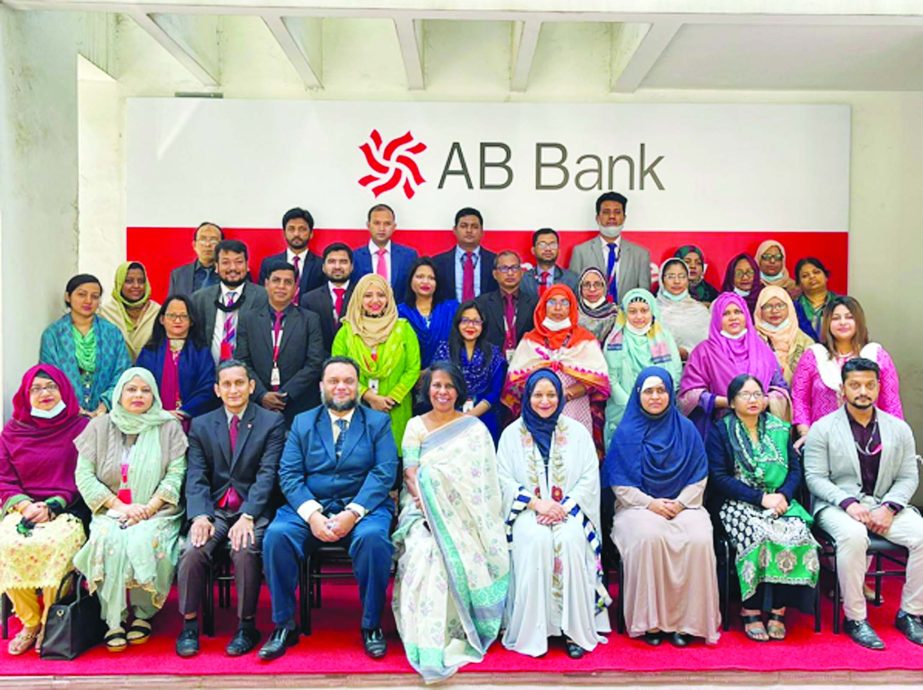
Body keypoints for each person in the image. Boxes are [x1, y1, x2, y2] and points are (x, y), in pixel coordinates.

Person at [260, 357, 398, 661]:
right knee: (277, 536)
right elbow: (290, 474)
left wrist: (352, 512)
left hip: (364, 506)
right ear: (322, 385)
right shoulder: (303, 422)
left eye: (348, 381)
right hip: (313, 503)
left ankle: (371, 624)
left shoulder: (377, 422)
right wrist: (312, 514)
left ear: (358, 386)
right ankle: (284, 624)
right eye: (334, 381)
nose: (341, 387)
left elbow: (384, 472)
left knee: (373, 539)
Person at [392, 363, 508, 681]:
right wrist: (430, 507)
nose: (442, 392)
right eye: (436, 386)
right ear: (427, 390)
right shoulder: (416, 426)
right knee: (424, 554)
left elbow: (483, 483)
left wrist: (451, 512)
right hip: (421, 509)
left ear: (459, 391)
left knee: (467, 552)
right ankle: (430, 641)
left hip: (466, 515)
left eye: (449, 386)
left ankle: (464, 629)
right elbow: (412, 474)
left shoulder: (473, 429)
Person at [804, 358, 923, 650]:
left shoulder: (899, 429)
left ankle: (911, 612)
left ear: (879, 388)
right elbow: (815, 478)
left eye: (870, 385)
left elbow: (909, 476)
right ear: (842, 390)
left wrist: (890, 507)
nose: (863, 391)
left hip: (884, 504)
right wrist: (848, 503)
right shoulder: (823, 428)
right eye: (855, 385)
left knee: (922, 535)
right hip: (838, 506)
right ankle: (855, 617)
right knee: (854, 536)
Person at [175, 359, 286, 658]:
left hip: (253, 508)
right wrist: (199, 515)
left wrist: (249, 515)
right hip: (216, 509)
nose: (234, 389)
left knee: (244, 548)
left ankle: (246, 625)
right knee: (193, 549)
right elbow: (195, 476)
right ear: (217, 389)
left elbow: (267, 475)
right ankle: (188, 625)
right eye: (227, 384)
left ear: (251, 386)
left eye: (240, 383)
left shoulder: (270, 422)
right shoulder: (201, 425)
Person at [497, 369, 610, 658]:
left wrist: (563, 507)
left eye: (551, 395)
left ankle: (573, 630)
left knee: (571, 540)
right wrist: (537, 504)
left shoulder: (577, 432)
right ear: (528, 397)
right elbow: (504, 479)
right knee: (535, 540)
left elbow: (588, 477)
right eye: (538, 395)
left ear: (560, 397)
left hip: (569, 510)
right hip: (528, 510)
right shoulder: (512, 434)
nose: (544, 401)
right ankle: (536, 630)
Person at [72, 368, 187, 651]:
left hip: (156, 511)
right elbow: (84, 475)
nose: (138, 395)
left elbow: (176, 474)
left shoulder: (168, 427)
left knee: (145, 538)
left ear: (154, 395)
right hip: (111, 509)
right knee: (110, 539)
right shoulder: (98, 427)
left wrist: (147, 509)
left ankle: (144, 613)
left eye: (145, 390)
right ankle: (114, 619)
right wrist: (119, 506)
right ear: (119, 393)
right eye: (131, 389)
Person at [604, 367, 720, 646]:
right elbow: (619, 484)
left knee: (698, 539)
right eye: (648, 391)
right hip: (637, 507)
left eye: (661, 390)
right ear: (638, 395)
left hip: (685, 505)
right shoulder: (626, 432)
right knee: (648, 538)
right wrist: (650, 503)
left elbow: (699, 475)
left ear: (670, 394)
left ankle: (688, 622)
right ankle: (650, 622)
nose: (655, 397)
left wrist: (680, 503)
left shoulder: (687, 429)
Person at [707, 374, 819, 642]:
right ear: (732, 402)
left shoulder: (780, 429)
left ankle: (779, 610)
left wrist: (782, 495)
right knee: (759, 536)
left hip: (779, 501)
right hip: (738, 502)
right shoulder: (721, 431)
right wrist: (760, 498)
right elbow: (719, 477)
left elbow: (794, 469)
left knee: (798, 534)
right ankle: (751, 608)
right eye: (745, 395)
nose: (753, 400)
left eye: (758, 394)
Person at [0, 366, 89, 655]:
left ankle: (54, 618)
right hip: (23, 508)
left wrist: (54, 505)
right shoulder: (13, 431)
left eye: (50, 386)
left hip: (67, 508)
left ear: (63, 389)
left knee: (54, 544)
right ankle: (30, 622)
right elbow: (4, 477)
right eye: (36, 389)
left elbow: (88, 476)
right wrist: (25, 505)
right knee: (6, 544)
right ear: (26, 395)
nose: (44, 393)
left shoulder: (81, 428)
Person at [792, 295, 903, 445]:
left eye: (849, 317)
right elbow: (800, 399)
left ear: (858, 321)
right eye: (836, 318)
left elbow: (891, 402)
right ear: (828, 323)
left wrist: (894, 437)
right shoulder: (814, 355)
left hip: (870, 440)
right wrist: (806, 433)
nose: (842, 322)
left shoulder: (876, 355)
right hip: (823, 440)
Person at [503, 285, 609, 441]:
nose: (558, 307)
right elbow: (515, 383)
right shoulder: (530, 340)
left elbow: (597, 381)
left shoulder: (585, 340)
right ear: (543, 306)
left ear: (572, 306)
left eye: (564, 302)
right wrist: (544, 396)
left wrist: (566, 394)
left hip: (574, 407)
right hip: (538, 406)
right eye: (552, 302)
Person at [331, 274, 421, 451]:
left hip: (396, 409)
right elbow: (337, 370)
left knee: (392, 463)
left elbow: (413, 368)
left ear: (389, 298)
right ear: (358, 298)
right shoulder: (347, 331)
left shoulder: (403, 329)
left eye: (381, 295)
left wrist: (391, 399)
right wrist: (368, 397)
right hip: (356, 407)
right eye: (367, 295)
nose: (375, 300)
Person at [678, 292, 790, 432]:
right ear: (717, 318)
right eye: (726, 313)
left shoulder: (762, 348)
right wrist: (728, 402)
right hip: (720, 430)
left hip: (762, 428)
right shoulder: (703, 352)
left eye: (738, 311)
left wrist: (762, 401)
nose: (733, 317)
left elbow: (780, 388)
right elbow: (690, 394)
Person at [234, 261, 324, 426]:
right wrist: (262, 395)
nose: (281, 286)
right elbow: (242, 360)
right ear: (266, 284)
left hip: (299, 406)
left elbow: (315, 363)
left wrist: (285, 394)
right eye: (276, 280)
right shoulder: (248, 319)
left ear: (296, 288)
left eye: (288, 282)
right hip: (258, 406)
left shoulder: (310, 319)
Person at [40, 274, 131, 417]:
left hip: (107, 416)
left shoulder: (112, 333)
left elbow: (122, 373)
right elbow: (48, 375)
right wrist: (73, 407)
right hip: (64, 415)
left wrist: (104, 405)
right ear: (67, 297)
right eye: (81, 294)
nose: (88, 301)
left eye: (95, 296)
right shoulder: (53, 335)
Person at [603, 289, 682, 445]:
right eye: (632, 312)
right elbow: (610, 379)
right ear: (624, 313)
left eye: (644, 311)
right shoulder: (614, 340)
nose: (639, 316)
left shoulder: (664, 336)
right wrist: (633, 406)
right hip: (623, 410)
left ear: (652, 311)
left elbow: (675, 373)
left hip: (659, 405)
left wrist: (655, 401)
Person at [433, 301, 507, 444]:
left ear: (483, 325)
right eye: (465, 320)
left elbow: (494, 392)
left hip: (484, 416)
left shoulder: (493, 353)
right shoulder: (444, 351)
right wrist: (455, 415)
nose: (470, 326)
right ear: (457, 323)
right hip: (448, 415)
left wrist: (470, 415)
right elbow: (437, 386)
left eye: (476, 321)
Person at [136, 295, 216, 425]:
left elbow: (207, 388)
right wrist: (160, 413)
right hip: (154, 419)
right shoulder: (149, 351)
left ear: (191, 321)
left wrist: (183, 412)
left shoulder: (201, 351)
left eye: (184, 316)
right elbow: (139, 385)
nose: (177, 320)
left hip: (192, 421)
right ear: (162, 319)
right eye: (172, 315)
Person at [190, 239, 269, 365]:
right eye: (225, 262)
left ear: (247, 265)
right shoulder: (199, 299)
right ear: (216, 266)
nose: (233, 268)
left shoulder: (263, 297)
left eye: (239, 262)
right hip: (209, 375)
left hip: (248, 375)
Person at [567, 192, 651, 303]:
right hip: (591, 318)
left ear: (624, 218)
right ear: (597, 218)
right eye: (606, 212)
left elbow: (644, 294)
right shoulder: (580, 251)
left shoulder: (640, 254)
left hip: (627, 317)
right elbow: (574, 292)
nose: (612, 217)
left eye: (617, 212)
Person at [397, 257, 458, 370]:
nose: (425, 282)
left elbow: (457, 345)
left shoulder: (451, 309)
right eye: (420, 277)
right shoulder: (399, 313)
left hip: (445, 375)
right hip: (409, 378)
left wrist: (432, 372)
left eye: (431, 278)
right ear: (410, 280)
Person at [475, 251, 538, 358]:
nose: (510, 273)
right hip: (490, 365)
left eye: (514, 268)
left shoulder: (534, 303)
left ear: (521, 272)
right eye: (504, 268)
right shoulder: (481, 304)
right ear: (495, 274)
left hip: (525, 364)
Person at [352, 204, 419, 305]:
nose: (382, 228)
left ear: (394, 226)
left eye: (387, 224)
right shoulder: (354, 257)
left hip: (399, 315)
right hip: (364, 316)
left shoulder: (408, 256)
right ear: (368, 225)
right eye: (377, 223)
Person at [257, 207, 324, 304]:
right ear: (284, 233)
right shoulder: (269, 263)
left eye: (302, 229)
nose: (296, 234)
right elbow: (263, 297)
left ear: (311, 234)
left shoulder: (321, 265)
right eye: (291, 229)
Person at [99, 261, 161, 362]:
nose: (136, 286)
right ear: (119, 284)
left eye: (141, 281)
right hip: (114, 373)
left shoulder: (157, 312)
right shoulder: (105, 313)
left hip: (149, 374)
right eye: (129, 281)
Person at [432, 207, 498, 302]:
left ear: (482, 231)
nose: (469, 230)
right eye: (464, 226)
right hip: (450, 315)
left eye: (474, 227)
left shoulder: (495, 261)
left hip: (486, 315)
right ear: (455, 230)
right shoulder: (438, 262)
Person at [753, 286, 814, 385]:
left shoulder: (805, 341)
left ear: (789, 307)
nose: (774, 311)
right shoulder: (751, 338)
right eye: (768, 306)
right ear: (760, 310)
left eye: (780, 305)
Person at [302, 242, 355, 353]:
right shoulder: (309, 299)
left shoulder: (362, 296)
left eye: (343, 262)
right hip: (320, 363)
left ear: (351, 267)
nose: (337, 266)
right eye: (331, 262)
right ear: (324, 267)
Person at [655, 258, 710, 361]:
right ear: (662, 280)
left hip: (696, 369)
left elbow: (709, 346)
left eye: (682, 276)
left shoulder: (700, 311)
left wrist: (687, 352)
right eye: (671, 277)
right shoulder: (651, 310)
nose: (677, 281)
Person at [520, 228, 579, 299]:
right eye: (542, 245)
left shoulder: (572, 279)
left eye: (552, 245)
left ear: (558, 250)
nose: (548, 249)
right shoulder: (523, 279)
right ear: (533, 250)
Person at [168, 222, 223, 296]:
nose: (208, 244)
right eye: (203, 240)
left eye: (213, 240)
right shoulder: (179, 275)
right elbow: (173, 305)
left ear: (222, 245)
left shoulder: (230, 273)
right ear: (194, 245)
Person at [793, 257, 838, 341]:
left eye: (816, 272)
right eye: (805, 275)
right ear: (799, 284)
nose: (812, 276)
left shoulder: (842, 303)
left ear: (826, 277)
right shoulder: (793, 308)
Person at [575, 268, 619, 344]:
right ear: (580, 288)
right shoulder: (574, 311)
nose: (592, 289)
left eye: (597, 284)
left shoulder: (615, 314)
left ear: (604, 287)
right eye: (587, 284)